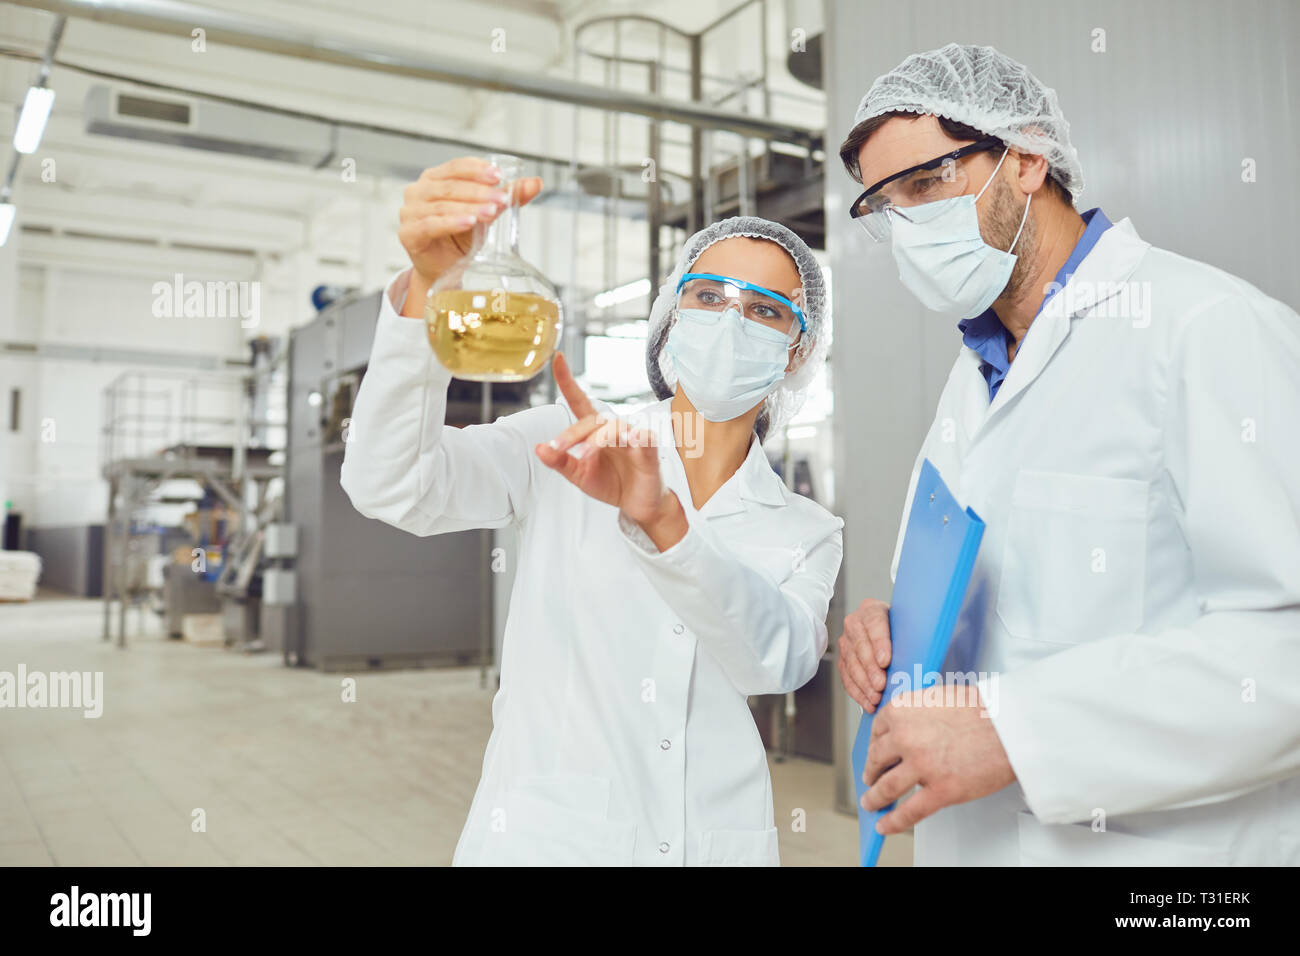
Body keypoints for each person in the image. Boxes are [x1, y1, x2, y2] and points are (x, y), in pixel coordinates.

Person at [835, 43, 1300, 865]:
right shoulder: (973, 376)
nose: (907, 225)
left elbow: (1284, 647)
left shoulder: (1206, 328)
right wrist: (896, 631)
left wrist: (1020, 734)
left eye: (926, 183)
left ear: (1025, 158)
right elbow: (996, 595)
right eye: (884, 205)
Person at [340, 157, 842, 866]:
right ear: (670, 317)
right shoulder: (566, 443)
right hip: (553, 840)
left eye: (765, 309)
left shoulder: (805, 529)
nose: (732, 321)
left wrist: (664, 525)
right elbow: (391, 483)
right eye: (708, 296)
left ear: (798, 349)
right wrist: (429, 289)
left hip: (715, 841)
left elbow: (777, 663)